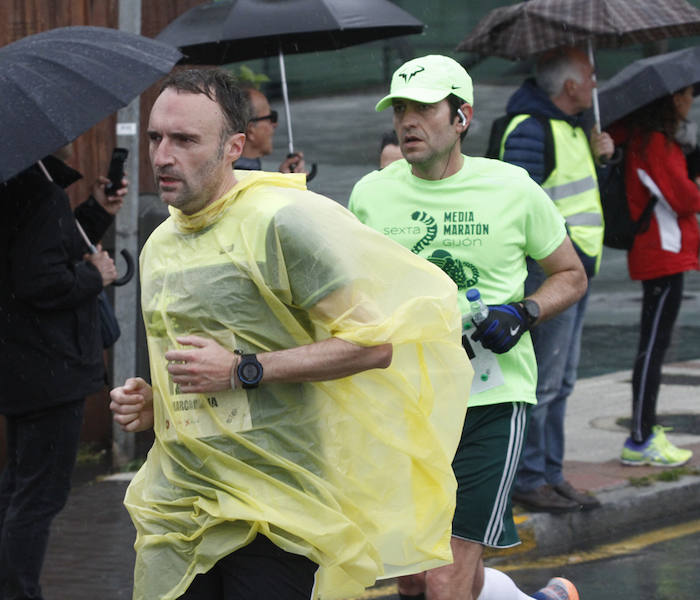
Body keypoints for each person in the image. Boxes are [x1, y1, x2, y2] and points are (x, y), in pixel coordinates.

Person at [109, 68, 472, 600]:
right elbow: (197, 365)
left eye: (185, 140)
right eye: (156, 138)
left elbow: (373, 343)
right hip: (183, 500)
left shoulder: (282, 223)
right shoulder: (160, 242)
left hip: (277, 502)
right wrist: (156, 401)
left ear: (234, 147)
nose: (163, 155)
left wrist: (243, 369)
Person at [348, 55, 587, 600]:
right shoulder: (370, 195)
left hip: (490, 399)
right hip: (403, 402)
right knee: (411, 575)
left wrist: (523, 312)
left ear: (462, 117)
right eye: (400, 108)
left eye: (425, 108)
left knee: (444, 570)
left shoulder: (513, 189)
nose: (408, 120)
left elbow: (569, 276)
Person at [0, 142, 126, 600]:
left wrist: (97, 209)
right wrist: (96, 275)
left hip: (18, 366)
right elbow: (43, 279)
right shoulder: (41, 193)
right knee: (39, 497)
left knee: (20, 489)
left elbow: (48, 244)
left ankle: (12, 592)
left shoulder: (1, 190)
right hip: (50, 368)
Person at [498, 46, 613, 513]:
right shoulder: (530, 128)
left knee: (561, 382)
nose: (594, 84)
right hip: (549, 275)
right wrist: (564, 256)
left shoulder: (571, 128)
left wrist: (602, 160)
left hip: (574, 273)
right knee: (542, 382)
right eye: (589, 75)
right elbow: (520, 206)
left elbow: (577, 195)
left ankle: (552, 472)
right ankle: (530, 477)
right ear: (568, 86)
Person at [609, 85, 700, 467]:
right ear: (671, 99)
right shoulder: (655, 143)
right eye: (686, 94)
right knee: (652, 347)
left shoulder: (654, 140)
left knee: (654, 345)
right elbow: (682, 198)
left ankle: (644, 432)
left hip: (665, 254)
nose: (690, 100)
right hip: (661, 254)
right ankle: (641, 437)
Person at [234, 85, 308, 174]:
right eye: (271, 117)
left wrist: (285, 179)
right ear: (251, 131)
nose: (275, 124)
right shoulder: (245, 180)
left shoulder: (232, 175)